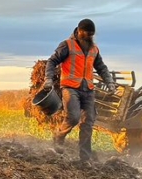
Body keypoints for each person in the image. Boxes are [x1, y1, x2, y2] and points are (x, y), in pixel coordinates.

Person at [44, 18, 115, 163]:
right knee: (74, 117)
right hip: (70, 88)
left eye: (92, 34)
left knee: (88, 123)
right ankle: (59, 136)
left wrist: (110, 82)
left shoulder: (94, 49)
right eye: (87, 34)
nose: (90, 37)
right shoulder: (67, 45)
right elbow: (52, 61)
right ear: (79, 31)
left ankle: (85, 159)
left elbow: (101, 67)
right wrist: (48, 79)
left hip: (88, 90)